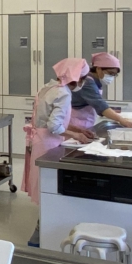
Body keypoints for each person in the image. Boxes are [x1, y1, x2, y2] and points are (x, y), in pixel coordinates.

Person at [23, 58, 95, 247]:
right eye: (83, 78)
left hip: (38, 140)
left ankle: (40, 232)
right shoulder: (63, 93)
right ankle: (42, 235)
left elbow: (49, 118)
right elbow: (54, 126)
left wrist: (77, 129)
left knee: (43, 186)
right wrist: (76, 136)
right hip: (48, 143)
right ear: (77, 78)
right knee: (49, 188)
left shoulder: (48, 87)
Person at [70, 52, 132, 131]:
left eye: (114, 75)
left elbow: (96, 102)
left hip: (83, 120)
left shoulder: (96, 81)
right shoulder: (87, 82)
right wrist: (122, 120)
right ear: (98, 69)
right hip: (75, 122)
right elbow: (100, 105)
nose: (111, 77)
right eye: (110, 73)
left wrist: (111, 112)